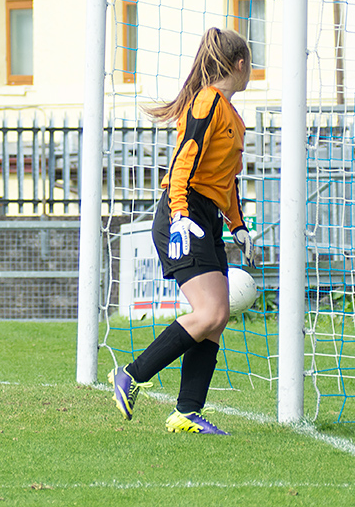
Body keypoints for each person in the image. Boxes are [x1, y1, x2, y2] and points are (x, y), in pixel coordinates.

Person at [108, 27, 255, 435]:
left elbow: (227, 180)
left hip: (205, 215)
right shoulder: (207, 102)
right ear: (240, 64)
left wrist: (237, 225)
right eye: (251, 64)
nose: (252, 71)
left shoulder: (233, 115)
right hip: (184, 212)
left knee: (218, 316)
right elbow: (183, 160)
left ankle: (186, 412)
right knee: (209, 312)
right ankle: (131, 375)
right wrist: (179, 214)